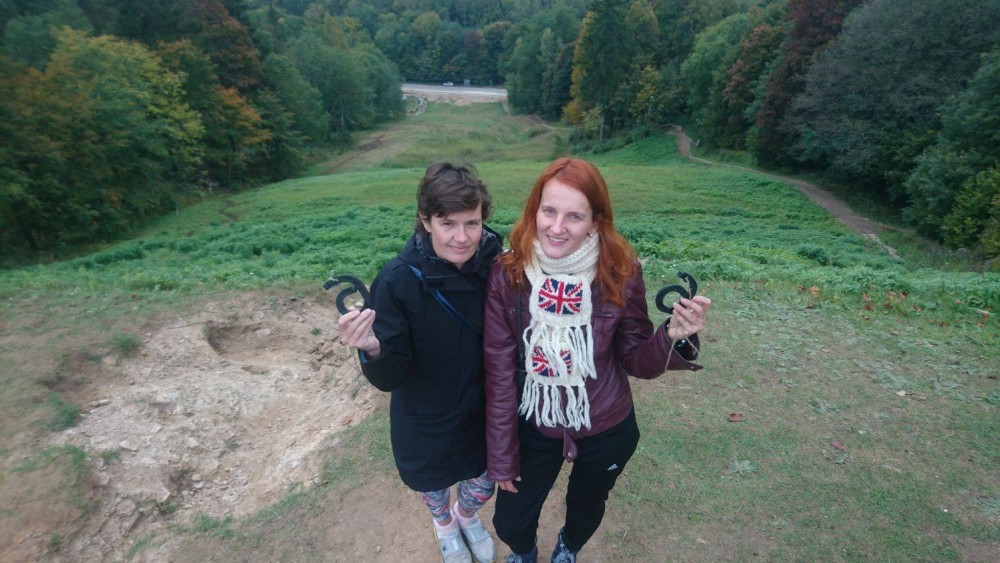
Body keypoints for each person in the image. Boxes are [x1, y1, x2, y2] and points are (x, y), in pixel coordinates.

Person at [483, 158, 712, 562]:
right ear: (534, 211)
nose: (557, 227)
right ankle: (524, 551)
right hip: (534, 418)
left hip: (604, 421)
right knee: (509, 522)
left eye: (574, 216)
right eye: (549, 211)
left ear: (595, 223)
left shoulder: (620, 272)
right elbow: (499, 372)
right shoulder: (508, 273)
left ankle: (568, 547)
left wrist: (672, 337)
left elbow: (636, 359)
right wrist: (502, 455)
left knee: (586, 509)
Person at [338, 162, 502, 563]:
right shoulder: (397, 280)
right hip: (427, 413)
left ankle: (466, 516)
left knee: (484, 480)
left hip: (484, 404)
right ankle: (444, 525)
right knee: (432, 482)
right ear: (426, 221)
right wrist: (372, 348)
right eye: (448, 224)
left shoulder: (498, 265)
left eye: (472, 223)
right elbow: (391, 375)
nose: (462, 237)